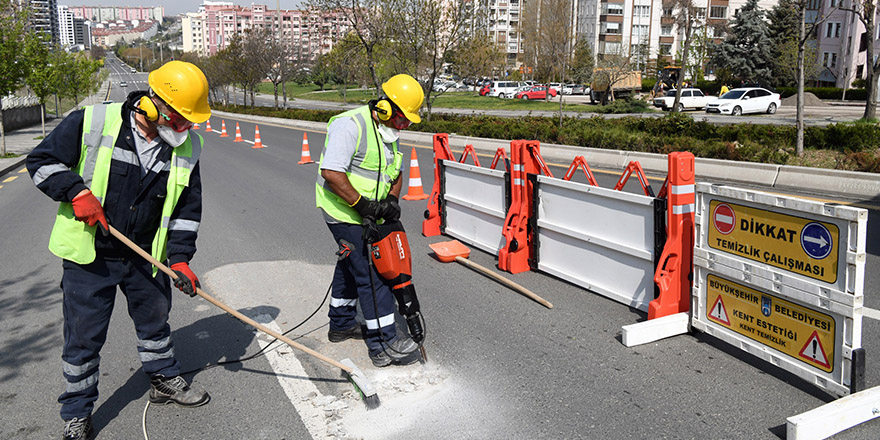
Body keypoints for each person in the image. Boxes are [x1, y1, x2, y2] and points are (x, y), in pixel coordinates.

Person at [27, 60, 212, 440]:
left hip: (146, 255)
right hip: (90, 255)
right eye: (179, 120)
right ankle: (77, 413)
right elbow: (41, 162)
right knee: (83, 336)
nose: (185, 130)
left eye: (189, 122)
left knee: (155, 323)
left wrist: (179, 259)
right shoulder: (93, 122)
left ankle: (163, 379)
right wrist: (75, 191)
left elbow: (186, 210)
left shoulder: (188, 147)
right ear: (150, 105)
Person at [315, 74, 424, 367]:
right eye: (401, 120)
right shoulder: (350, 126)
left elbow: (396, 172)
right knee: (375, 273)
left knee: (352, 266)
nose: (403, 127)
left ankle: (340, 323)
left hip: (370, 211)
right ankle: (383, 344)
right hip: (342, 211)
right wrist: (362, 206)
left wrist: (391, 200)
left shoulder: (388, 133)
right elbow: (332, 173)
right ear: (385, 108)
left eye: (407, 123)